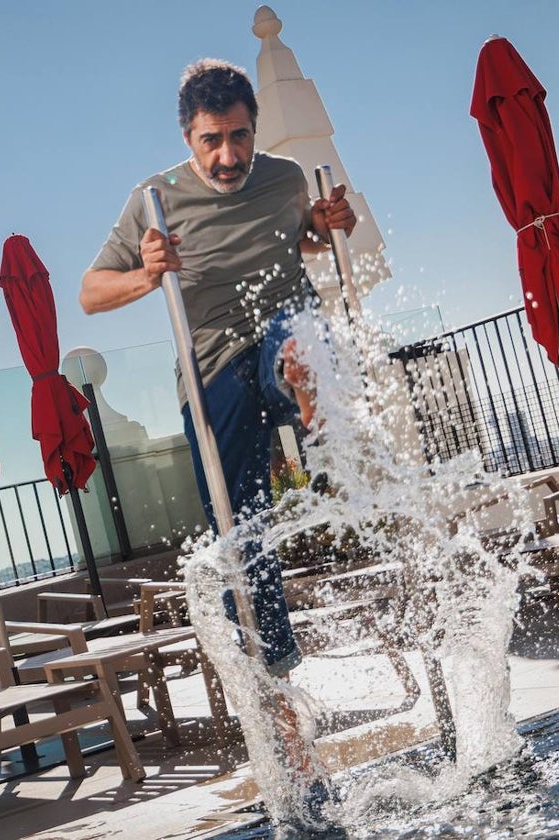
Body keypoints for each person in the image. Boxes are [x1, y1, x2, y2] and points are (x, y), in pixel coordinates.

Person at [80, 58, 355, 790]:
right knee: (243, 544)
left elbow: (303, 239)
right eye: (211, 141)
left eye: (238, 137)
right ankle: (290, 730)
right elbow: (88, 293)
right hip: (211, 376)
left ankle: (308, 388)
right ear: (187, 137)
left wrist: (327, 227)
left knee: (296, 340)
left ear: (254, 129)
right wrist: (146, 273)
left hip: (281, 336)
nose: (228, 156)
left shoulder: (288, 178)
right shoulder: (154, 200)